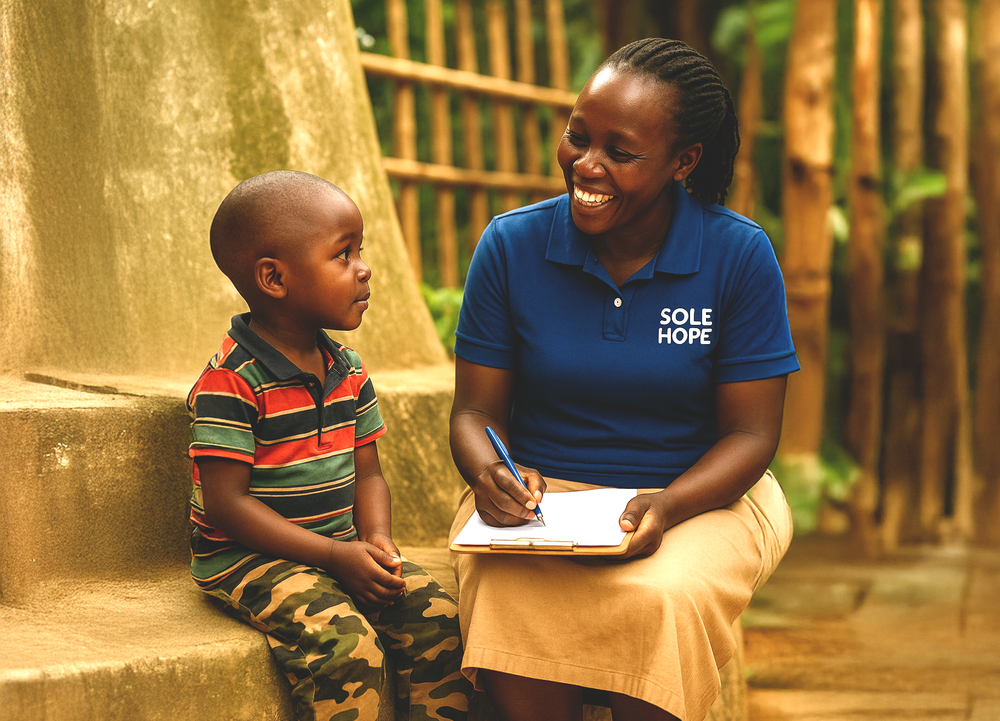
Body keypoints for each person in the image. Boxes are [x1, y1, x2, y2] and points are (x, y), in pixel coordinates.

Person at [448, 38, 799, 721]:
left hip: (700, 497)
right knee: (507, 590)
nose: (587, 164)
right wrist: (492, 472)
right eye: (578, 137)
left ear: (683, 161)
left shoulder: (737, 255)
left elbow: (752, 434)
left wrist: (665, 505)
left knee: (659, 597)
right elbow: (473, 414)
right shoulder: (511, 246)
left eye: (621, 152)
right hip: (543, 504)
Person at [187, 170, 472, 721]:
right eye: (343, 255)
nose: (364, 268)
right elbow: (227, 506)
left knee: (439, 619)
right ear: (274, 278)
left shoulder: (348, 369)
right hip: (251, 559)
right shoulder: (232, 381)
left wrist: (377, 541)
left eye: (360, 251)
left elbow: (369, 475)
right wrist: (334, 557)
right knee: (348, 647)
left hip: (340, 545)